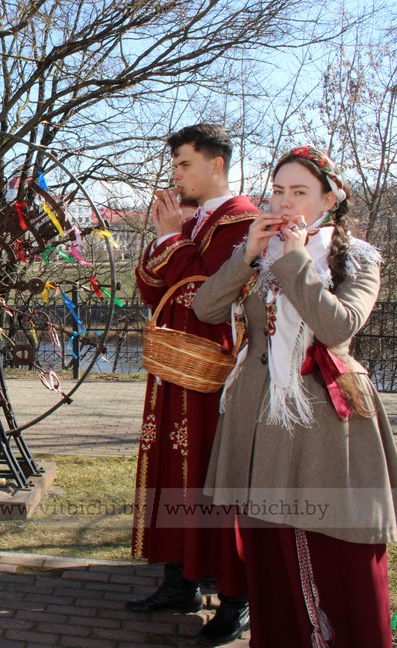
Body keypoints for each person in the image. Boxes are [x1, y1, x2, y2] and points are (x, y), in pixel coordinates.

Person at [192, 146, 397, 647]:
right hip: (257, 421)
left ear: (330, 200)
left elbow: (338, 326)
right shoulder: (257, 255)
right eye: (278, 191)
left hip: (324, 426)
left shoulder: (356, 259)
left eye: (300, 192)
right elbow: (206, 308)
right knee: (269, 553)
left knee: (332, 551)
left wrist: (294, 260)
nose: (285, 203)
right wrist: (246, 255)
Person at [129, 124, 256, 646]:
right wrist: (166, 237)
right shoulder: (192, 220)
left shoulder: (243, 220)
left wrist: (170, 239)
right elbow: (149, 289)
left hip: (213, 371)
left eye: (184, 164)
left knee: (212, 476)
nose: (176, 174)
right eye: (175, 165)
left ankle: (233, 600)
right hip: (173, 369)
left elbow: (204, 292)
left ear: (216, 164)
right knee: (172, 471)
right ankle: (179, 582)